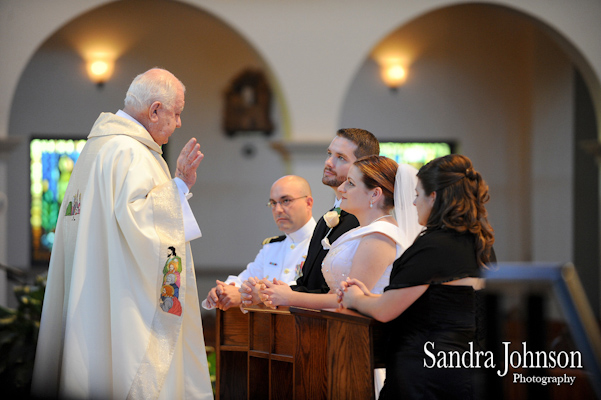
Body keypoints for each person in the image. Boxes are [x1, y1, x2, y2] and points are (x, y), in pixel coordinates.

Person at [31, 68, 213, 400]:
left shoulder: (99, 147)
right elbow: (141, 225)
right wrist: (181, 185)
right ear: (155, 110)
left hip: (96, 291)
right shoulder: (130, 152)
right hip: (121, 301)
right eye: (176, 113)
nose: (179, 123)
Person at [338, 154, 495, 400]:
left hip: (426, 370)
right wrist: (371, 296)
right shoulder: (480, 243)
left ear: (433, 197)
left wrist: (355, 297)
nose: (412, 203)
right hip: (468, 365)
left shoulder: (434, 246)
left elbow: (385, 310)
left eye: (417, 195)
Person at [258, 156, 422, 312]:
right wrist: (283, 290)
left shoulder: (379, 236)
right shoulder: (361, 232)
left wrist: (290, 297)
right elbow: (335, 293)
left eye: (350, 183)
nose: (342, 188)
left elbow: (349, 300)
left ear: (375, 194)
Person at [239, 128, 380, 304]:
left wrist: (284, 295)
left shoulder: (362, 221)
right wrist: (270, 291)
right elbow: (306, 283)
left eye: (341, 157)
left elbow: (347, 294)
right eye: (329, 154)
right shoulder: (325, 220)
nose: (329, 162)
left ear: (362, 166)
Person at [202, 175, 316, 311]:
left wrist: (244, 295)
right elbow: (243, 280)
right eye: (273, 203)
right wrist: (223, 291)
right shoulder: (272, 248)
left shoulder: (323, 244)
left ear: (308, 203)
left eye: (286, 201)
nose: (278, 210)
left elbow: (303, 293)